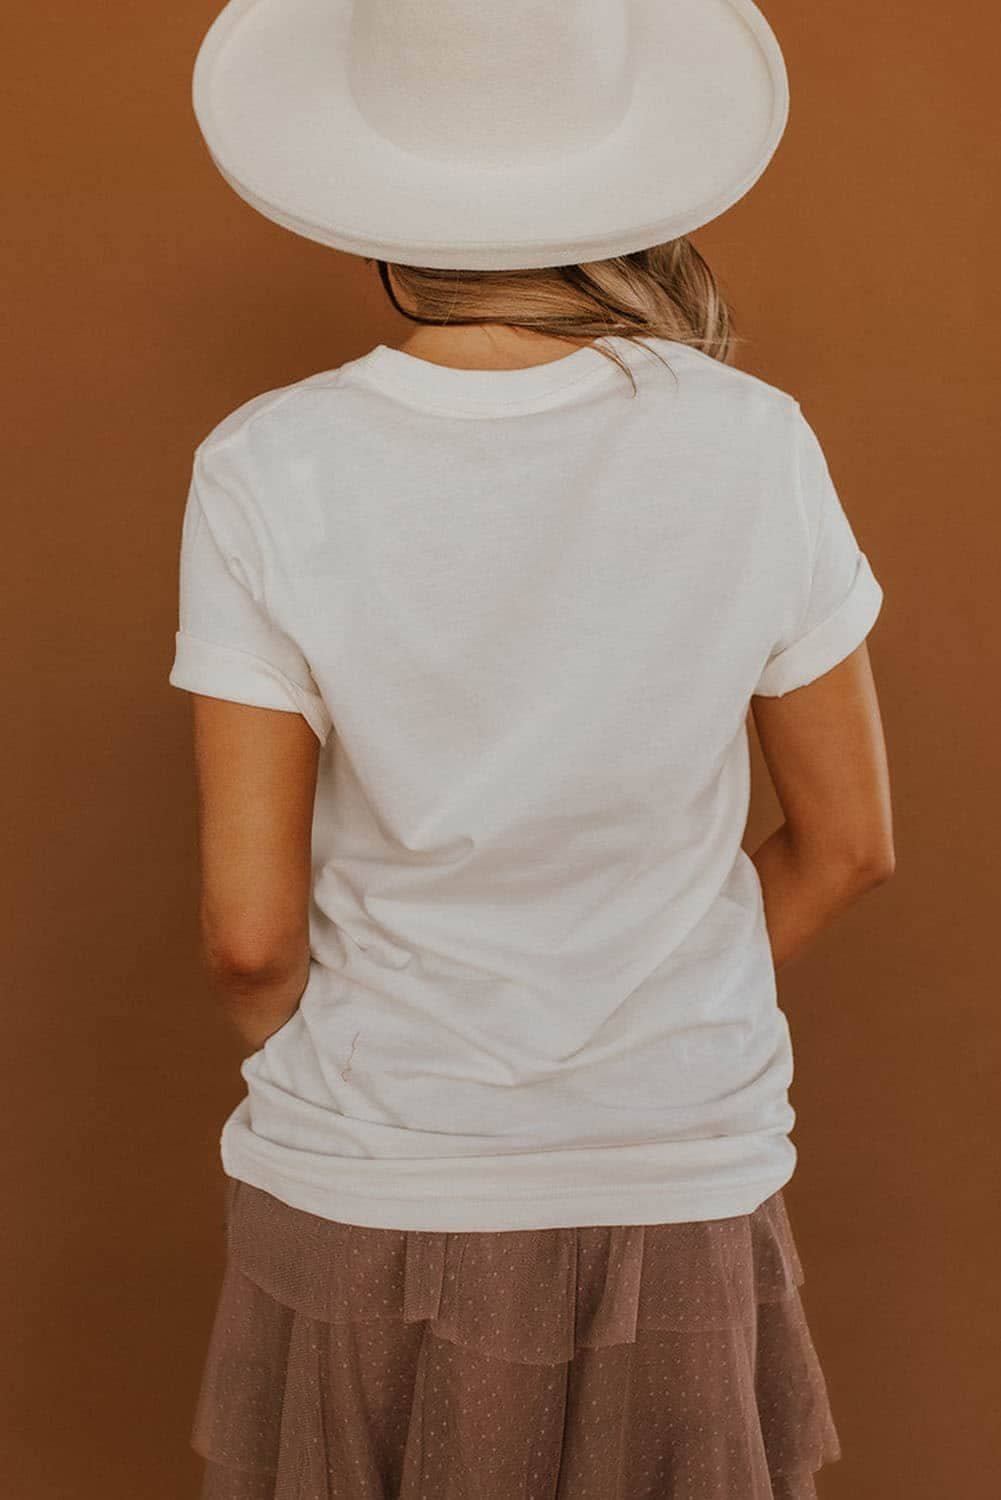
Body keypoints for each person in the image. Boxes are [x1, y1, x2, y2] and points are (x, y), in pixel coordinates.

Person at [169, 1, 894, 1495]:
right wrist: (643, 996)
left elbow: (248, 935)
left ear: (370, 187)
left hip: (371, 1170)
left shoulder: (266, 463)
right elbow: (847, 846)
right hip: (674, 1160)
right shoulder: (752, 439)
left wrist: (359, 1070)